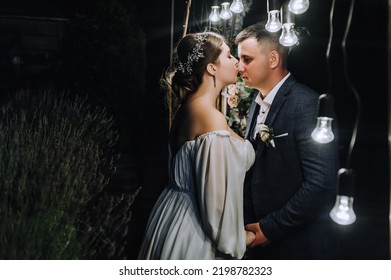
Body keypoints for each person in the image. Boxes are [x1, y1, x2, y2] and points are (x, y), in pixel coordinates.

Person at [137, 31, 255, 260]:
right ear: (212, 68)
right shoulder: (209, 117)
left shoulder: (188, 108)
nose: (236, 62)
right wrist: (238, 239)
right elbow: (215, 202)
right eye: (230, 56)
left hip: (169, 216)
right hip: (193, 230)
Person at [235, 22, 340, 259]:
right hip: (260, 244)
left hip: (297, 246)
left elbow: (320, 184)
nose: (239, 67)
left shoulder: (307, 104)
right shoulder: (255, 102)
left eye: (247, 59)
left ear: (273, 60)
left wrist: (269, 229)